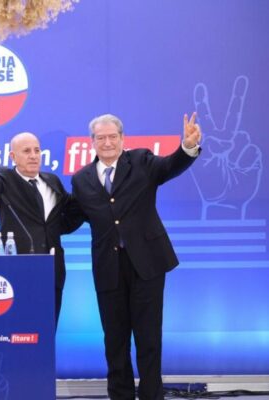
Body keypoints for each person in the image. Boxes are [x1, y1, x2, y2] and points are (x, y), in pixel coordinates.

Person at [70, 113, 202, 400]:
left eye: (112, 137)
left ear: (122, 138)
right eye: (101, 138)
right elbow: (71, 217)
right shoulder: (81, 179)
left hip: (147, 264)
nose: (107, 142)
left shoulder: (142, 161)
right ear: (92, 142)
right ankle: (120, 395)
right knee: (114, 340)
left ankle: (152, 395)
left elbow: (170, 165)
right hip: (108, 268)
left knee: (148, 337)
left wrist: (188, 147)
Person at [0, 128, 82, 326]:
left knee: (48, 330)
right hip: (18, 269)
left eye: (37, 150)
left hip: (52, 269)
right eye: (27, 151)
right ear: (13, 156)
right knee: (19, 331)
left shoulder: (52, 181)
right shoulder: (4, 178)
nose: (33, 156)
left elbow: (65, 216)